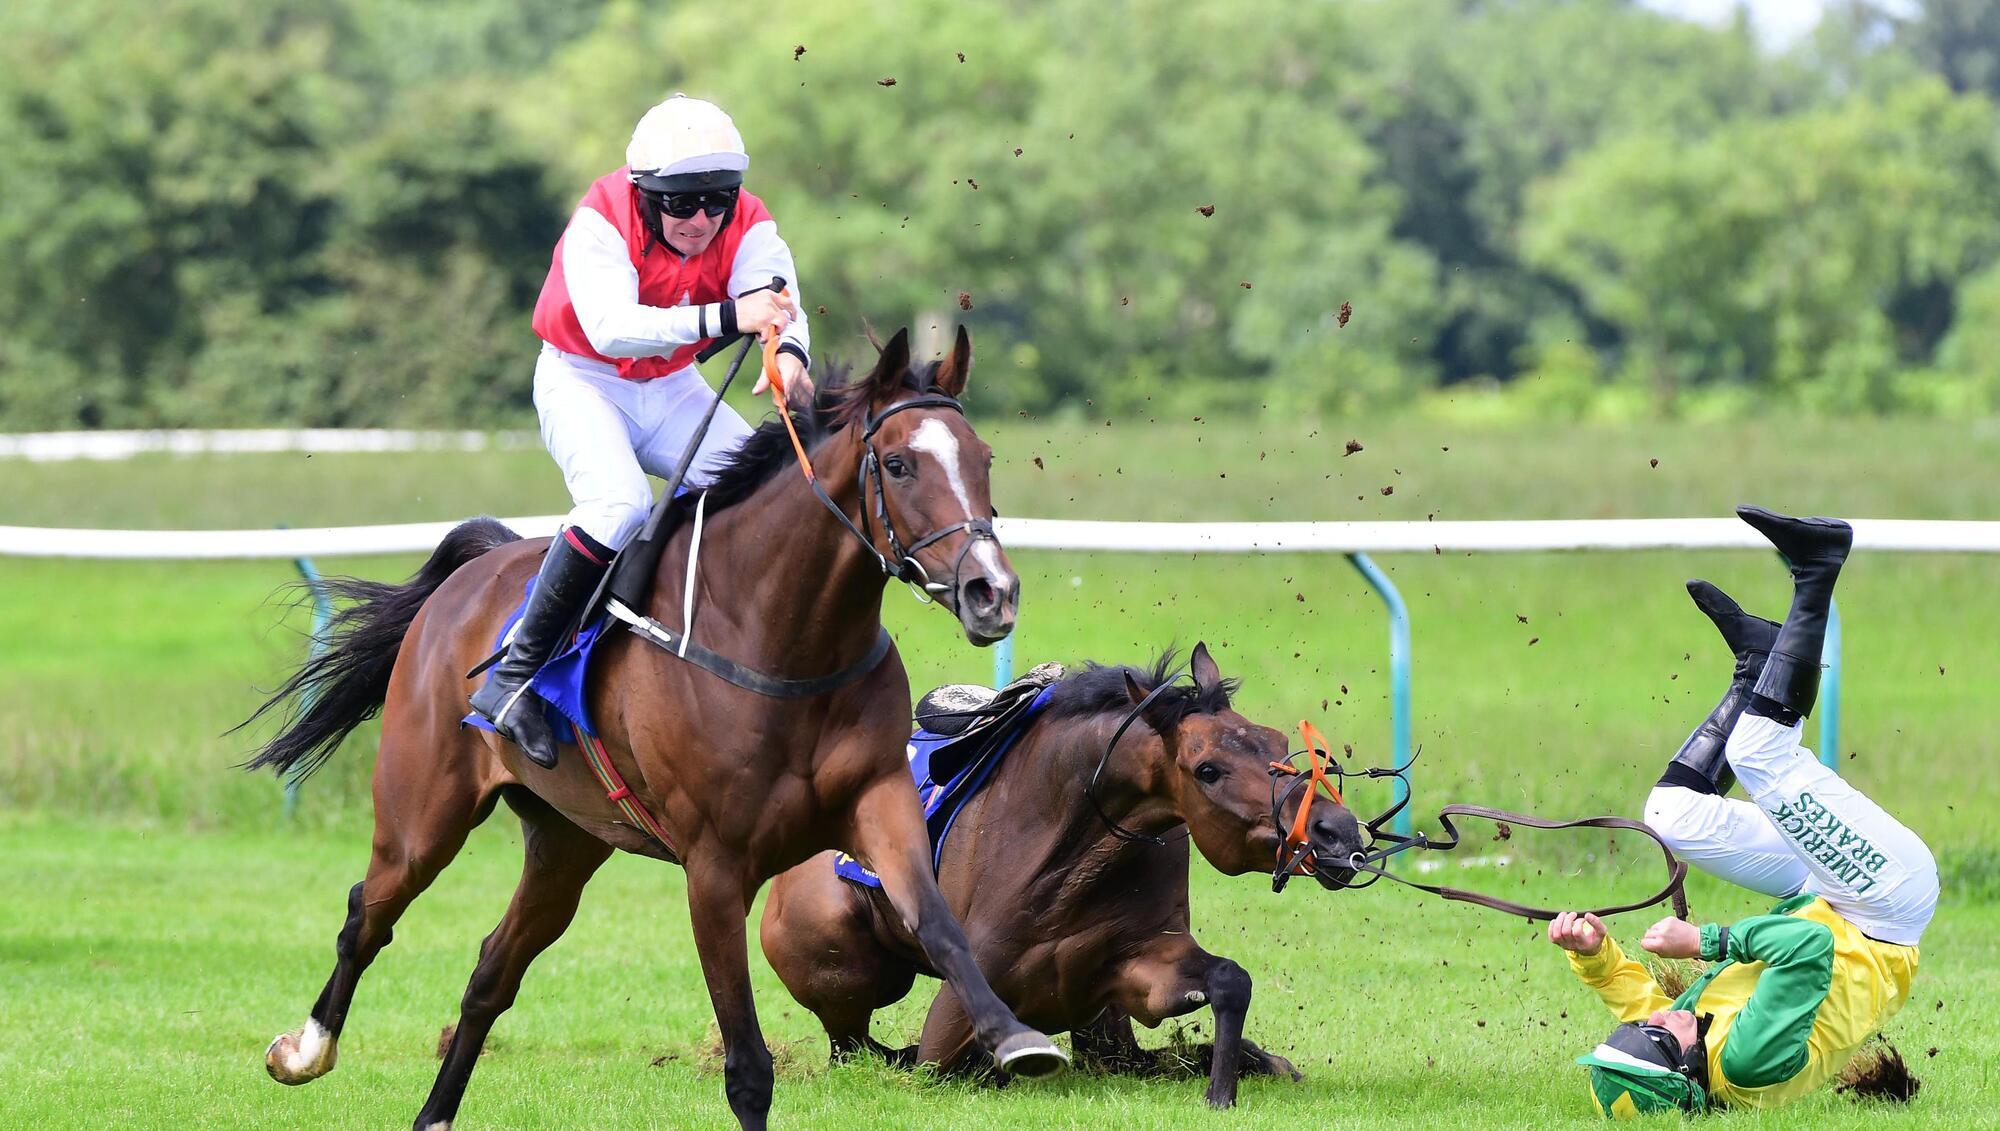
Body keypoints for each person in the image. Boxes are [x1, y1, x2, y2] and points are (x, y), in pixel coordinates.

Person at [1549, 505, 1938, 1116]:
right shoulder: (1745, 1065)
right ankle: (1818, 567)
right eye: (1653, 1037)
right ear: (1688, 1072)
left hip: (1827, 897)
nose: (1655, 1019)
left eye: (1633, 1033)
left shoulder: (1688, 1042)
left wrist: (1593, 955)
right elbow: (1808, 948)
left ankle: (1756, 668)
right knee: (1759, 754)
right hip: (1884, 901)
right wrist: (1703, 940)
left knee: (1672, 816)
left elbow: (1643, 1008)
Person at [470, 94, 813, 769]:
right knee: (619, 505)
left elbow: (778, 302)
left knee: (770, 489)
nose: (702, 220)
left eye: (717, 200)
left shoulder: (748, 220)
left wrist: (790, 353)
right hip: (583, 380)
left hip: (672, 385)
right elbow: (612, 329)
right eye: (682, 203)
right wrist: (729, 317)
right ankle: (511, 676)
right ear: (645, 193)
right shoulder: (601, 219)